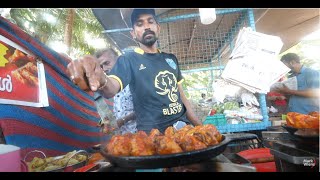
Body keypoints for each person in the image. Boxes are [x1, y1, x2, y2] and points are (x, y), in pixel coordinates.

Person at [67, 8, 202, 133]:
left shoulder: (171, 59)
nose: (146, 26)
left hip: (184, 129)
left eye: (150, 22)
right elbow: (111, 87)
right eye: (139, 24)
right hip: (153, 136)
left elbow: (182, 97)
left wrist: (200, 126)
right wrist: (101, 78)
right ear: (133, 34)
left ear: (158, 28)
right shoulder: (128, 59)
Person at [94, 48, 137, 135]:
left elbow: (146, 108)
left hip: (141, 136)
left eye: (107, 63)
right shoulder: (110, 86)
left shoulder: (134, 78)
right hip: (124, 138)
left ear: (118, 60)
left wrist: (123, 120)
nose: (105, 69)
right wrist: (105, 122)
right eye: (101, 66)